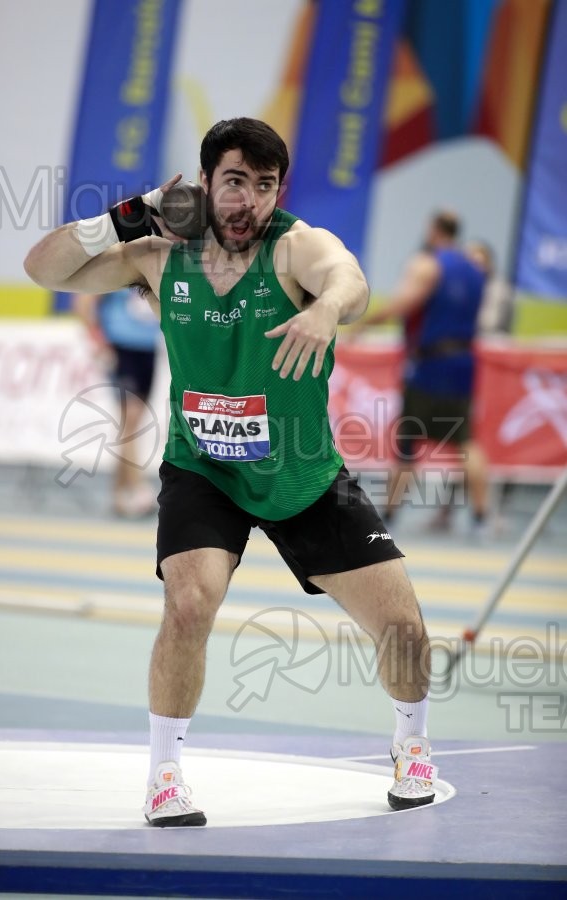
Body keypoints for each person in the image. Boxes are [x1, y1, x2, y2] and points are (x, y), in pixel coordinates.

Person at [24, 117, 437, 826]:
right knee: (188, 605)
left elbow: (350, 279)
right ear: (205, 182)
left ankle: (412, 744)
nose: (249, 201)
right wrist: (128, 216)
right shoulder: (159, 255)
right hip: (204, 469)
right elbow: (44, 268)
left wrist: (327, 310)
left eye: (266, 185)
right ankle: (164, 774)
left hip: (303, 475)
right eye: (235, 182)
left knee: (403, 628)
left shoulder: (295, 248)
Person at [360, 212, 489, 533]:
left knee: (407, 441)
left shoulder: (427, 264)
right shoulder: (476, 270)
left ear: (433, 231)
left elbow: (404, 303)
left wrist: (363, 324)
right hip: (464, 362)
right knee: (466, 440)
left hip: (430, 364)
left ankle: (388, 514)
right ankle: (481, 516)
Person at [73, 288, 161, 517]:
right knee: (129, 420)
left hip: (148, 348)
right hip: (121, 348)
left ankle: (119, 494)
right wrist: (99, 343)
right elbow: (84, 301)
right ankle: (137, 487)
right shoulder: (116, 264)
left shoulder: (150, 264)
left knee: (131, 424)